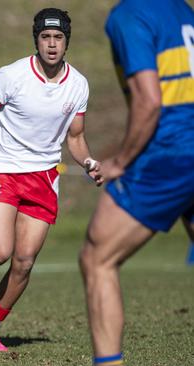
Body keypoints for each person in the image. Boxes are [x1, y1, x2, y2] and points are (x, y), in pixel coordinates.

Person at [0, 8, 103, 352]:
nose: (52, 45)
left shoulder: (78, 85)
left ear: (67, 42)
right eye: (46, 38)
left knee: (24, 261)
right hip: (5, 171)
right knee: (3, 252)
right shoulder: (12, 76)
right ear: (36, 40)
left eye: (59, 38)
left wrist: (89, 162)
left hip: (43, 177)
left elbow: (76, 139)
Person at [79, 0, 194, 364]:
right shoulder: (182, 10)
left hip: (173, 151)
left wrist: (121, 162)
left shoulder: (130, 14)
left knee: (98, 257)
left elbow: (148, 101)